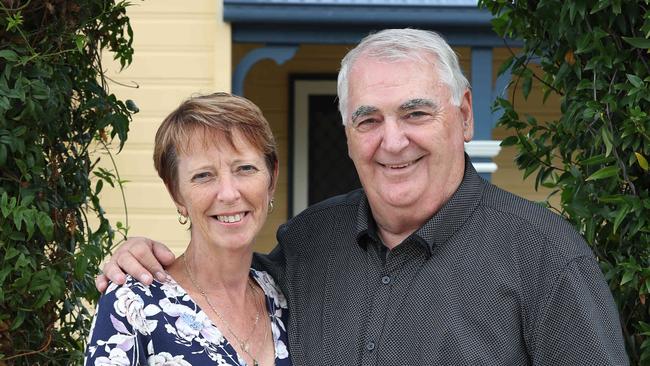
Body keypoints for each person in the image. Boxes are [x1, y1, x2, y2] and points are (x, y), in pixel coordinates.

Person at [96, 29, 628, 365]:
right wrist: (141, 256)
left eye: (416, 113)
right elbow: (219, 280)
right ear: (347, 133)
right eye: (368, 119)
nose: (392, 141)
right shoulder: (308, 243)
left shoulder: (543, 255)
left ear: (464, 116)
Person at [85, 93, 290, 366]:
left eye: (245, 168)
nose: (228, 194)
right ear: (176, 193)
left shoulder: (287, 296)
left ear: (272, 178)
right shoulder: (133, 305)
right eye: (203, 175)